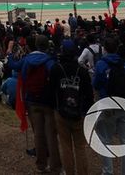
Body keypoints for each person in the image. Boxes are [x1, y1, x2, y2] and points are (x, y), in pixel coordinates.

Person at [8, 34, 60, 172]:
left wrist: (9, 52)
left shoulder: (27, 59)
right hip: (48, 101)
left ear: (35, 45)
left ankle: (41, 165)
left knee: (38, 133)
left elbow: (13, 64)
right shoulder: (50, 61)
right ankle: (55, 166)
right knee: (51, 135)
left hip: (32, 100)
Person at [92, 36, 125, 175]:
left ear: (105, 49)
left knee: (105, 139)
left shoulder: (101, 64)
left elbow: (96, 84)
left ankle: (108, 172)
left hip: (108, 105)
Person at [51, 39, 94, 175]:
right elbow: (89, 93)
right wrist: (86, 111)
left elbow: (51, 89)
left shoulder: (56, 69)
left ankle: (69, 172)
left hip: (61, 111)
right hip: (79, 113)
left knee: (66, 147)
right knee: (80, 147)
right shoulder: (82, 71)